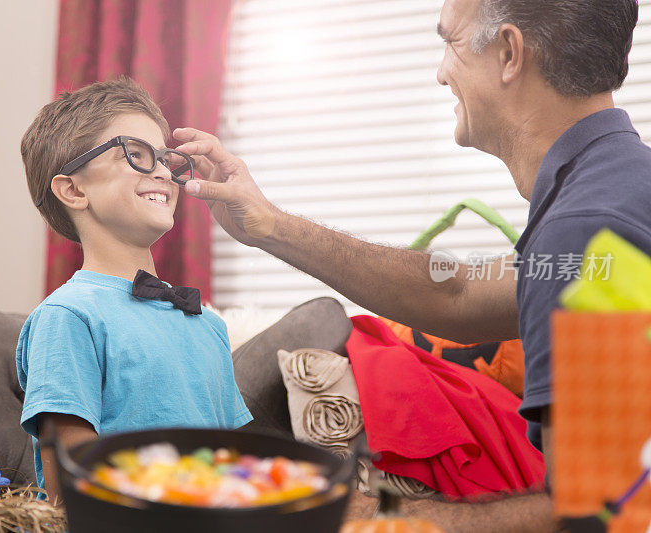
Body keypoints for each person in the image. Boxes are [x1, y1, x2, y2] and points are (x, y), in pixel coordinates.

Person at [172, 0, 651, 530]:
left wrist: (377, 515)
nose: (441, 73)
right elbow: (460, 293)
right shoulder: (618, 190)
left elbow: (600, 515)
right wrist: (269, 225)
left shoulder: (589, 229)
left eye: (451, 42)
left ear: (510, 53)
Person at [16, 78, 252, 504]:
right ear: (73, 189)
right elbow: (69, 492)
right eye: (136, 155)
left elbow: (233, 467)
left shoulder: (208, 326)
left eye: (164, 158)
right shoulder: (68, 317)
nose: (163, 171)